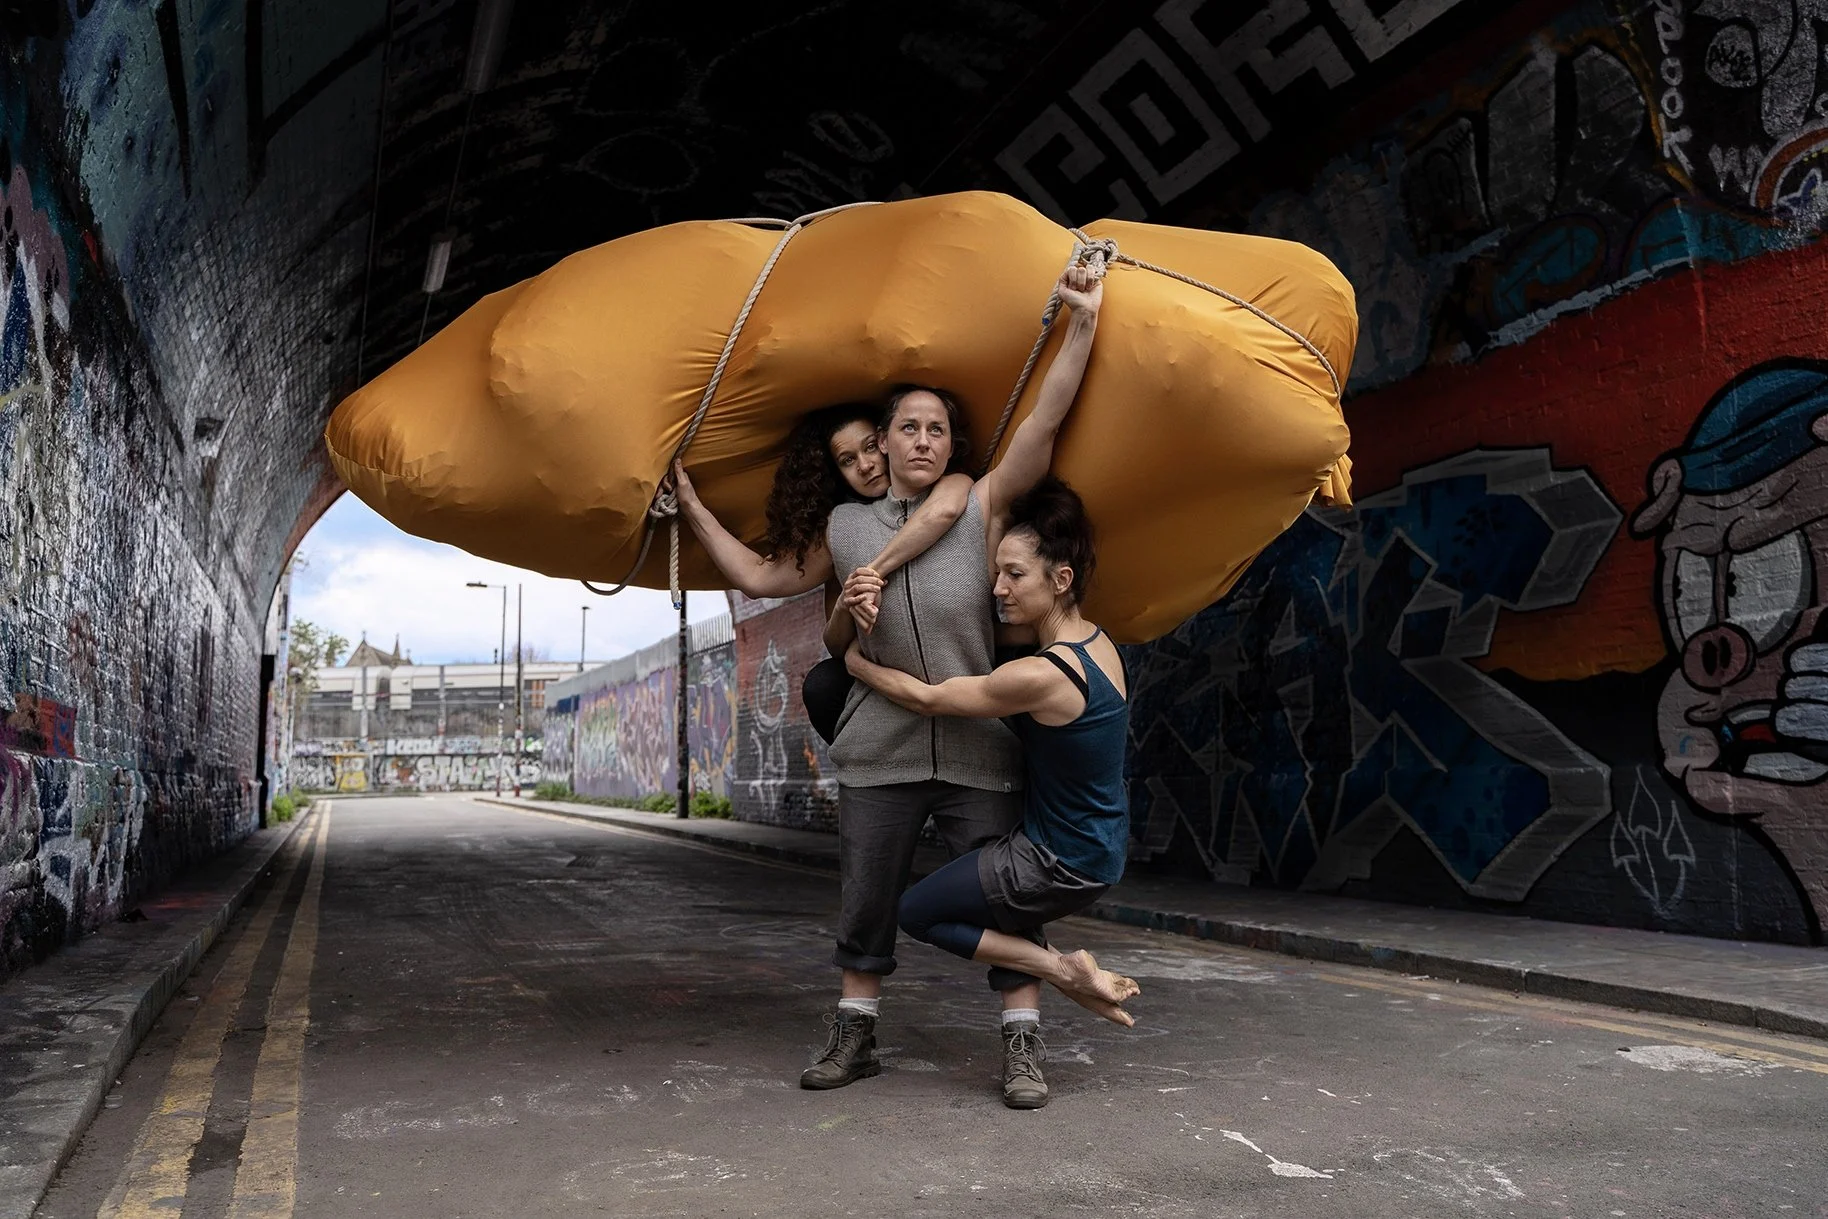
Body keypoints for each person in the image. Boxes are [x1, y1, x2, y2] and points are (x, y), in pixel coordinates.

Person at [806, 262, 1103, 1109]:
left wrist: (1079, 323)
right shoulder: (844, 523)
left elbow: (1044, 421)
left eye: (938, 428)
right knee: (866, 901)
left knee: (1008, 902)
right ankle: (855, 1037)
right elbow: (822, 624)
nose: (924, 441)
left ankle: (1022, 1048)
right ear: (885, 441)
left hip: (979, 747)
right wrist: (850, 613)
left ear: (949, 443)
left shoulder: (980, 508)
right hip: (878, 748)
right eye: (909, 427)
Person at [844, 478, 1140, 1070]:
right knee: (965, 909)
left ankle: (1065, 971)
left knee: (916, 913)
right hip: (1099, 846)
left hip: (1057, 858)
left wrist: (855, 662)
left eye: (1014, 575)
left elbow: (929, 698)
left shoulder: (1041, 674)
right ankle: (1055, 979)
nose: (997, 588)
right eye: (997, 571)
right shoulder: (1100, 645)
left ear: (1060, 579)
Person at [672, 407, 972, 742]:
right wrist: (692, 507)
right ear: (836, 474)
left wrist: (874, 570)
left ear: (888, 441)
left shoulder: (951, 487)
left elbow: (944, 509)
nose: (865, 465)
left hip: (959, 668)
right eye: (847, 460)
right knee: (823, 685)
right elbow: (757, 579)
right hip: (882, 682)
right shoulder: (840, 529)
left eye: (870, 447)